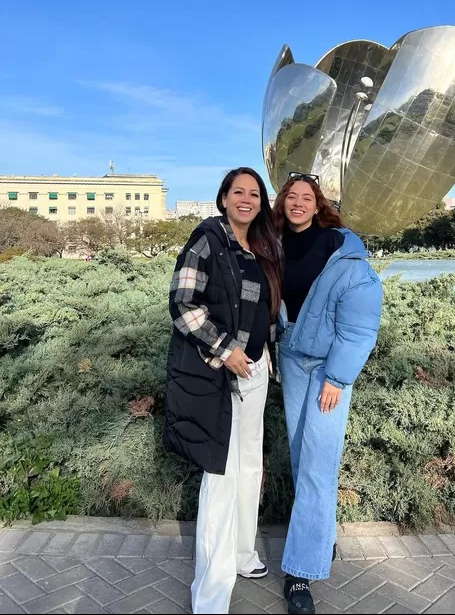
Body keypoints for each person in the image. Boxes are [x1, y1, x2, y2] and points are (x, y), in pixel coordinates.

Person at [163, 167, 282, 615]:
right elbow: (182, 303)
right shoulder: (208, 239)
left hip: (255, 373)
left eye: (254, 194)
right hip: (218, 373)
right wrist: (226, 349)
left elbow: (264, 312)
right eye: (239, 192)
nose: (247, 199)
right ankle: (211, 593)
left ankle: (242, 554)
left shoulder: (260, 248)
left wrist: (266, 358)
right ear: (224, 197)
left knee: (250, 466)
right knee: (221, 473)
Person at [273, 172, 383, 615]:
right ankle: (319, 539)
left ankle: (302, 571)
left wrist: (337, 379)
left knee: (319, 462)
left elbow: (359, 326)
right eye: (291, 197)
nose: (298, 203)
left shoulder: (341, 250)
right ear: (282, 204)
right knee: (303, 457)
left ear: (318, 205)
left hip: (326, 369)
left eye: (306, 197)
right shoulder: (274, 244)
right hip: (290, 358)